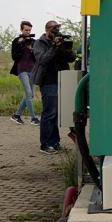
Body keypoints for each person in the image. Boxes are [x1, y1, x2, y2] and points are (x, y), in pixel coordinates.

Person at [31, 21, 75, 154]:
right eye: (54, 29)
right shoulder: (39, 43)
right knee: (49, 113)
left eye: (58, 28)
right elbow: (43, 60)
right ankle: (45, 145)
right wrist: (54, 47)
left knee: (56, 114)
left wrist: (64, 48)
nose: (56, 31)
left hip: (63, 80)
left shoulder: (59, 41)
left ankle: (54, 143)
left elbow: (71, 58)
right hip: (48, 81)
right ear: (47, 30)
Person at [9, 21, 40, 126]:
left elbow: (37, 58)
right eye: (26, 30)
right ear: (21, 29)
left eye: (29, 30)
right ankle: (33, 118)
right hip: (22, 69)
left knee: (29, 94)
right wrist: (21, 45)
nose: (27, 32)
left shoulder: (34, 42)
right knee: (29, 93)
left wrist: (32, 50)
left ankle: (16, 115)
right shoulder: (16, 41)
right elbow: (14, 57)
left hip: (32, 70)